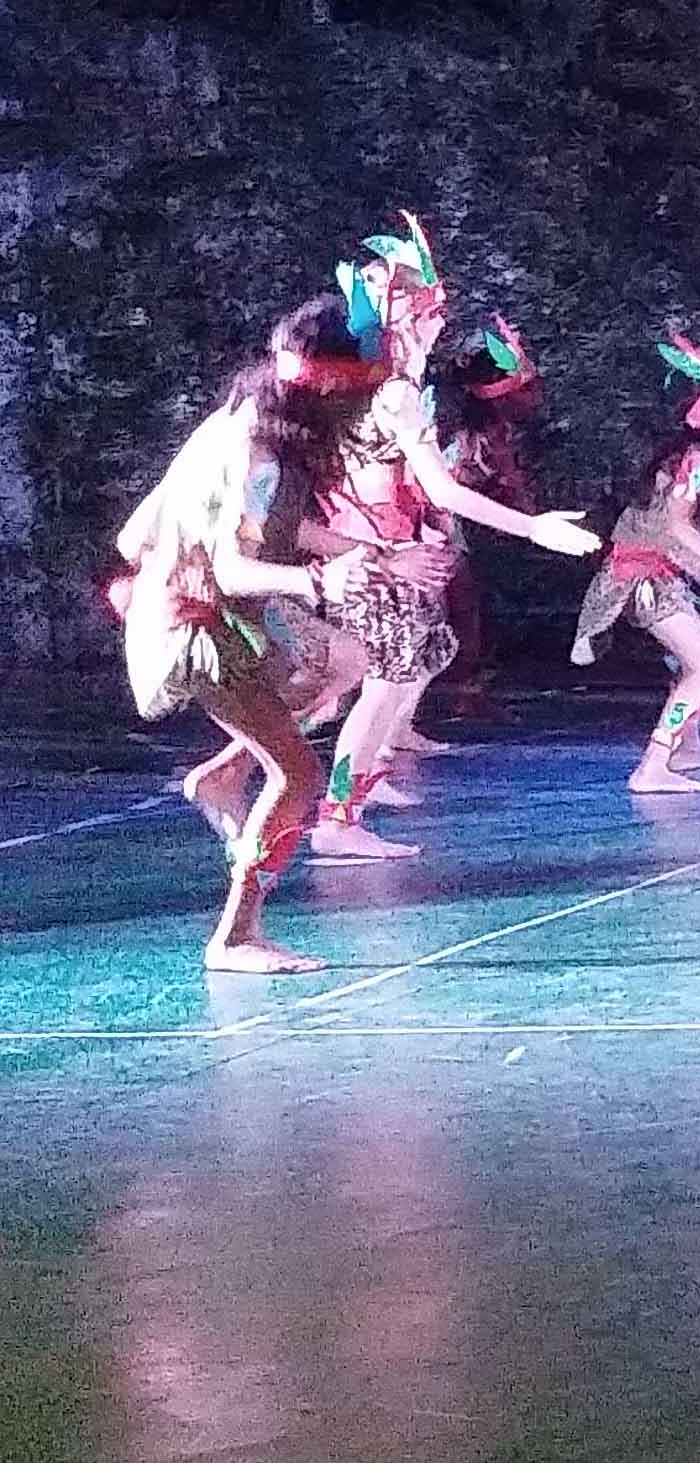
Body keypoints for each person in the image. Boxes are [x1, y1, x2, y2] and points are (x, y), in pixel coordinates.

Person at [110, 294, 426, 972]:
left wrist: (368, 552)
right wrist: (320, 582)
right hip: (200, 627)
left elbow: (248, 525)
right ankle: (236, 936)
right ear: (333, 387)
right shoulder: (261, 458)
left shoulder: (243, 419)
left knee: (345, 659)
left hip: (215, 610)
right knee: (298, 774)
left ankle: (225, 775)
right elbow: (233, 567)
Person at [307, 215, 602, 861]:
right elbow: (442, 491)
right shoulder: (395, 394)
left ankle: (351, 800)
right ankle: (335, 818)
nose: (440, 318)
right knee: (382, 689)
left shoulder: (375, 387)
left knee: (401, 677)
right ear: (405, 314)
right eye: (429, 306)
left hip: (380, 549)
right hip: (382, 556)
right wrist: (535, 528)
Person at [570, 333, 700, 796]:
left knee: (696, 664)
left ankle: (685, 747)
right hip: (640, 578)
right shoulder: (697, 460)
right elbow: (677, 527)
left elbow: (684, 536)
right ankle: (653, 765)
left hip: (655, 574)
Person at [432, 320, 540, 718]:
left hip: (445, 522)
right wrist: (533, 522)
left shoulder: (491, 433)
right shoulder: (474, 437)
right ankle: (462, 690)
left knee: (464, 607)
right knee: (459, 607)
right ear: (504, 394)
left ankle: (465, 689)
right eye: (528, 388)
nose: (536, 396)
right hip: (429, 522)